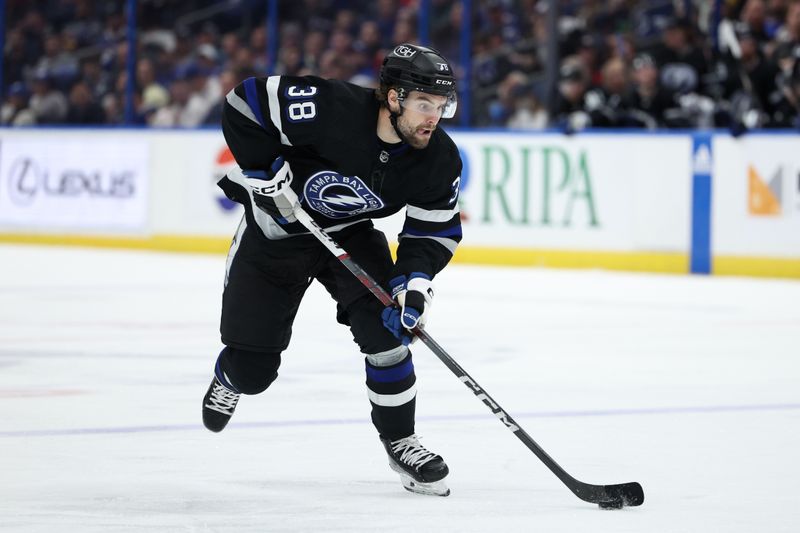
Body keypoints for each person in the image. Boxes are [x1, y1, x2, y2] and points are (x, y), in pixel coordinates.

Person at [201, 43, 462, 497]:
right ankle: (230, 378)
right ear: (394, 97)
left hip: (349, 235)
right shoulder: (330, 106)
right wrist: (264, 172)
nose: (433, 117)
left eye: (440, 106)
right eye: (424, 104)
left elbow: (431, 231)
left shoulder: (436, 157)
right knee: (254, 372)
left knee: (389, 335)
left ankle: (401, 443)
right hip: (276, 235)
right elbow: (245, 102)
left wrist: (414, 285)